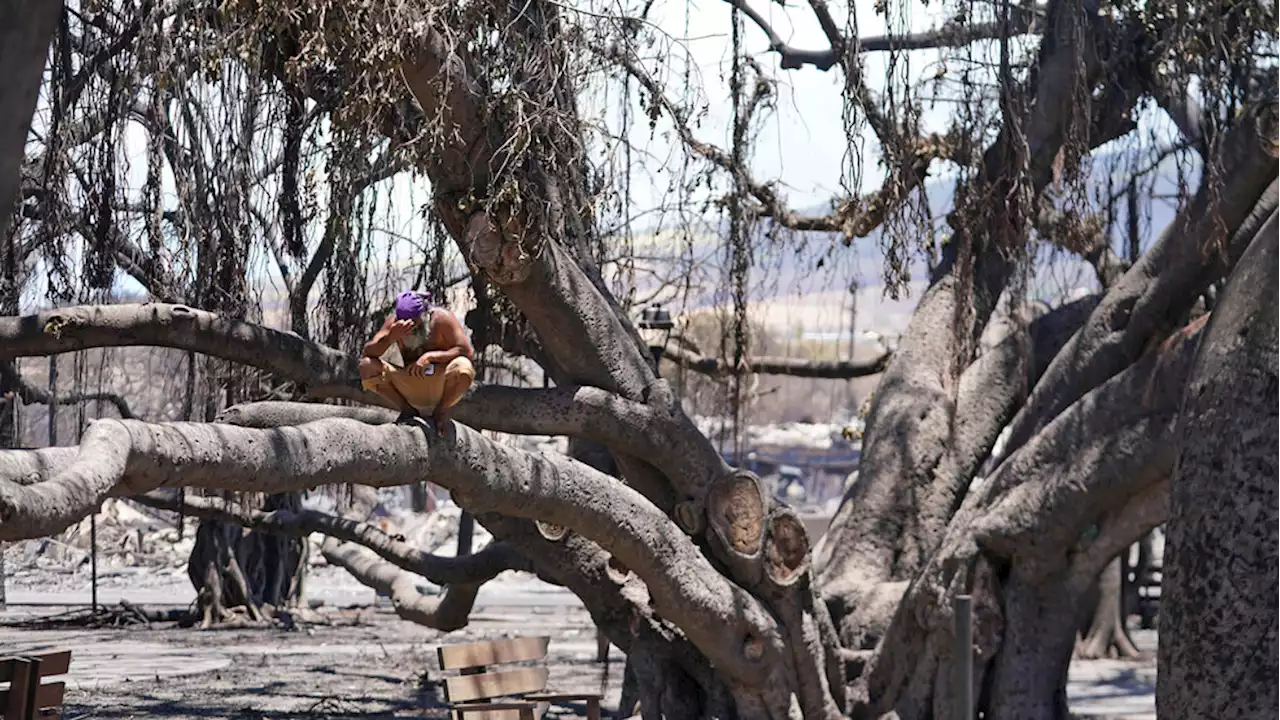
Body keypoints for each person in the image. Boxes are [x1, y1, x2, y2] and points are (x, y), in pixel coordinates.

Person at [359, 290, 476, 433]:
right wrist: (390, 338)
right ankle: (407, 410)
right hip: (411, 384)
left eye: (415, 322)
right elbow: (369, 352)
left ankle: (441, 410)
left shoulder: (441, 319)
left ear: (424, 314)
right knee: (367, 366)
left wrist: (430, 357)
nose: (410, 327)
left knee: (464, 366)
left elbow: (467, 351)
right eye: (406, 323)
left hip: (440, 384)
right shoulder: (394, 324)